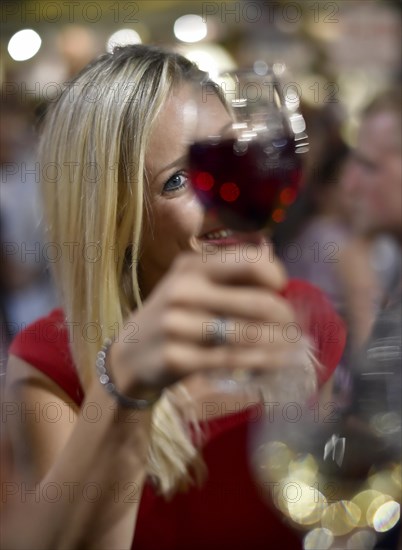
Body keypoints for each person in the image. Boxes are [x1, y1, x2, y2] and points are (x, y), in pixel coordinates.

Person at [3, 45, 345, 549]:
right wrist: (126, 385)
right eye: (179, 180)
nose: (228, 196)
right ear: (115, 221)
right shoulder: (49, 363)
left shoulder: (305, 315)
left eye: (233, 159)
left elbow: (327, 519)